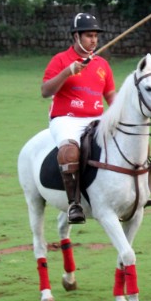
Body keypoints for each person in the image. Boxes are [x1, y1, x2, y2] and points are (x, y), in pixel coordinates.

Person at [41, 13, 116, 224]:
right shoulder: (61, 60)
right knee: (69, 152)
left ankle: (128, 196)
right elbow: (45, 91)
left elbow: (110, 95)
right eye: (89, 35)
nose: (94, 40)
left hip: (96, 118)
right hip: (66, 119)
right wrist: (67, 72)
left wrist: (120, 112)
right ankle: (74, 204)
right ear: (76, 36)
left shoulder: (101, 63)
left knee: (124, 143)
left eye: (95, 36)